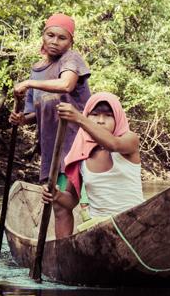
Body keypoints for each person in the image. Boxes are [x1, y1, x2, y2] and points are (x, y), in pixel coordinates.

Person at [10, 13, 91, 234]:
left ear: (71, 42)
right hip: (51, 149)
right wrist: (21, 119)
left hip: (76, 146)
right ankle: (60, 253)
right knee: (56, 205)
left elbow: (66, 85)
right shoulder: (36, 71)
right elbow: (33, 113)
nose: (55, 41)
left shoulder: (71, 59)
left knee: (64, 204)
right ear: (43, 37)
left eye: (62, 38)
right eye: (50, 35)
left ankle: (67, 252)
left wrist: (27, 83)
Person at [42, 92, 143, 239]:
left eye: (108, 115)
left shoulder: (129, 140)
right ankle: (61, 252)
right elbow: (71, 201)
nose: (101, 120)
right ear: (88, 116)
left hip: (135, 223)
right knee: (59, 205)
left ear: (118, 119)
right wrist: (56, 195)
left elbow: (114, 145)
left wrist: (79, 118)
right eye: (94, 114)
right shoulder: (80, 152)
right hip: (101, 231)